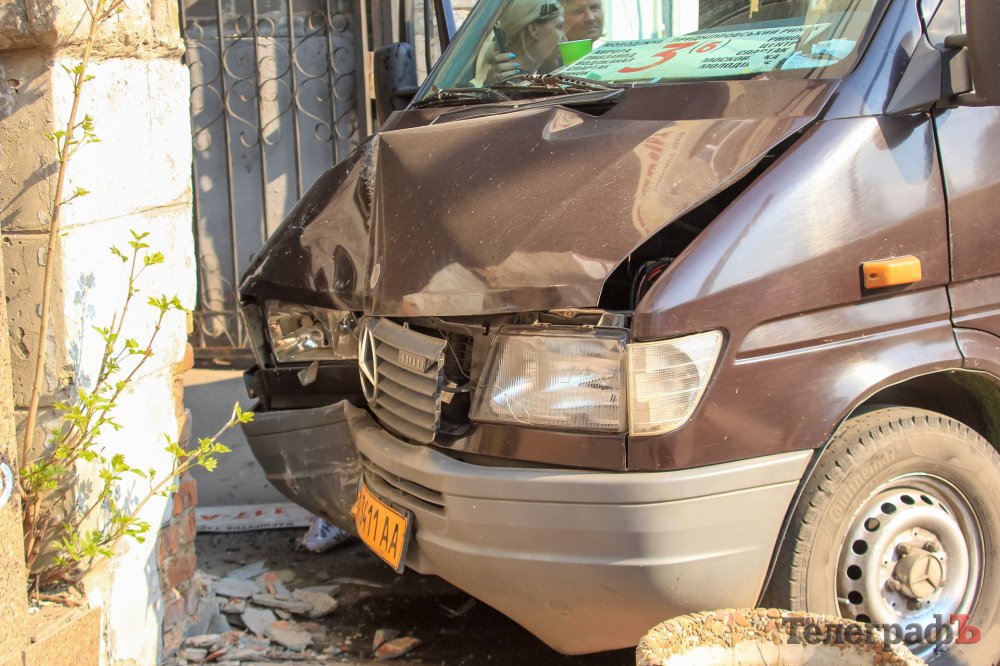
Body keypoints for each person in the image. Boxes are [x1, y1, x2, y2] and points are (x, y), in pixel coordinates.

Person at [476, 0, 566, 85]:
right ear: (534, 29)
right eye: (559, 27)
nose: (565, 39)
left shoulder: (504, 82)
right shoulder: (520, 88)